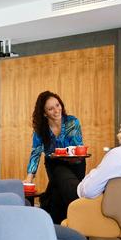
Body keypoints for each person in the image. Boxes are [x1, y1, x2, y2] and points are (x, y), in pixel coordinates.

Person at [24, 91, 84, 223]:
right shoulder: (41, 129)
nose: (57, 110)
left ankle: (49, 210)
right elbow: (36, 153)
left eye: (57, 105)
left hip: (75, 163)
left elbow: (78, 147)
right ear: (44, 113)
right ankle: (79, 214)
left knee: (58, 192)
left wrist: (70, 156)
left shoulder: (72, 122)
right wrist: (29, 177)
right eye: (51, 109)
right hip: (53, 163)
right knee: (61, 187)